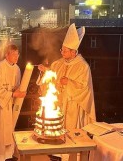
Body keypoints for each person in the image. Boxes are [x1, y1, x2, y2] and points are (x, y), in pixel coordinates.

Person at [37, 23, 96, 161]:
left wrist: (69, 82)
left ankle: (69, 156)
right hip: (59, 103)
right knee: (56, 129)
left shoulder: (83, 67)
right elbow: (50, 79)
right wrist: (44, 72)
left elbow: (84, 89)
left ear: (73, 52)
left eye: (65, 50)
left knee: (70, 133)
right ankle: (56, 154)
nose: (62, 52)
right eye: (61, 49)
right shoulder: (58, 63)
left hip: (73, 106)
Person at [0, 44, 26, 161]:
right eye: (14, 54)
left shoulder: (16, 69)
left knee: (8, 130)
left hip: (9, 104)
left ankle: (7, 154)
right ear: (7, 55)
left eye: (18, 54)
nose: (16, 57)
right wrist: (12, 94)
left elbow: (16, 86)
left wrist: (19, 91)